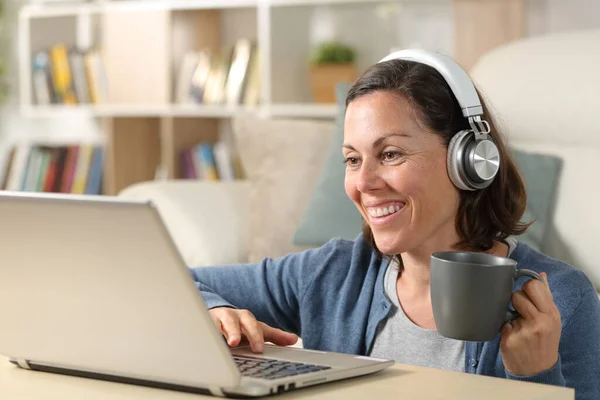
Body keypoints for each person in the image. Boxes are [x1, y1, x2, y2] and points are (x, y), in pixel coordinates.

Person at [192, 49, 600, 400]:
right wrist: (215, 310)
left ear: (469, 160)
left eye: (389, 154)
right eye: (353, 159)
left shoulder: (564, 300)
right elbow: (172, 281)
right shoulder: (334, 272)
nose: (363, 184)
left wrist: (535, 377)